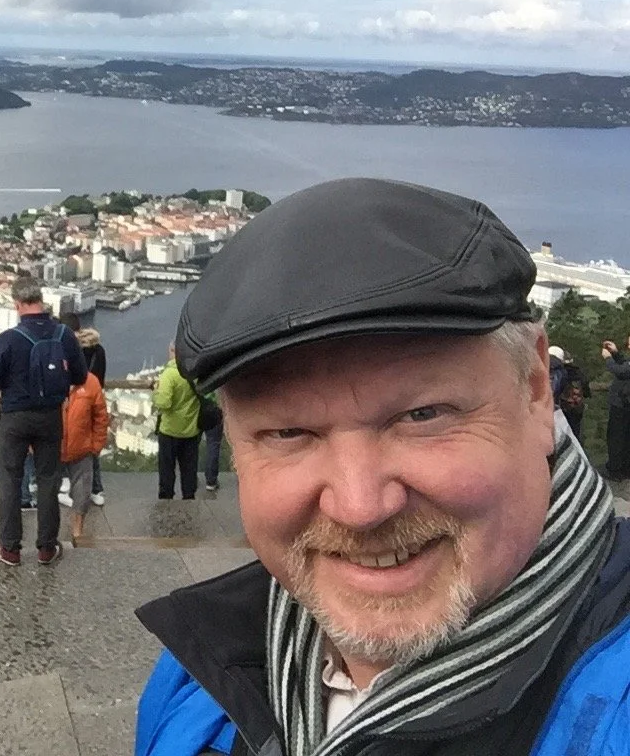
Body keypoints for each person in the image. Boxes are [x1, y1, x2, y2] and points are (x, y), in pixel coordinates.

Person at [136, 178, 630, 756]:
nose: (360, 505)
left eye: (421, 415)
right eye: (289, 431)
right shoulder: (197, 674)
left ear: (536, 390)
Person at [0, 275, 86, 567]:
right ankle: (46, 548)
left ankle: (10, 548)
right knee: (49, 479)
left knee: (12, 480)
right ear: (41, 300)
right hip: (51, 415)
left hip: (15, 416)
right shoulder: (63, 335)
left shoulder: (10, 338)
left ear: (17, 304)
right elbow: (79, 376)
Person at [62, 314, 109, 506]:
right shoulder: (99, 350)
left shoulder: (70, 349)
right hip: (93, 397)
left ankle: (67, 485)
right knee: (90, 447)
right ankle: (96, 489)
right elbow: (101, 377)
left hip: (75, 400)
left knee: (68, 441)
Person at [59, 369, 109, 541]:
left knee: (82, 492)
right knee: (47, 491)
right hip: (50, 446)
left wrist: (96, 445)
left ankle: (78, 529)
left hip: (81, 446)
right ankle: (47, 533)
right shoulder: (44, 373)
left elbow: (101, 416)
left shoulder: (90, 382)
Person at [151, 344, 202, 500]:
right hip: (191, 428)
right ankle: (189, 496)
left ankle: (166, 497)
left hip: (170, 430)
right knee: (189, 468)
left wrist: (155, 393)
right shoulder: (195, 373)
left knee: (167, 468)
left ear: (173, 352)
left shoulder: (169, 375)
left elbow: (164, 403)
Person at [601, 336, 630, 480]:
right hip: (624, 403)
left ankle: (615, 470)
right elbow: (626, 364)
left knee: (616, 437)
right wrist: (616, 353)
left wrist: (608, 358)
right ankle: (624, 468)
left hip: (622, 405)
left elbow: (621, 371)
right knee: (625, 437)